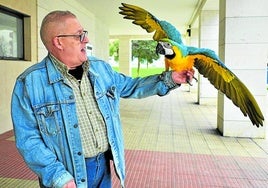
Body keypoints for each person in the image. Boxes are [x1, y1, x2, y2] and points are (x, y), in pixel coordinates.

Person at [11, 10, 194, 188]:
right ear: (59, 42)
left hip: (103, 166)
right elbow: (28, 139)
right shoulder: (29, 83)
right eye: (79, 35)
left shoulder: (101, 69)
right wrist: (58, 176)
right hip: (68, 175)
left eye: (85, 34)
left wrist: (171, 79)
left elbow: (131, 86)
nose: (87, 39)